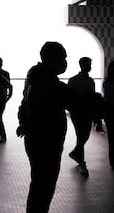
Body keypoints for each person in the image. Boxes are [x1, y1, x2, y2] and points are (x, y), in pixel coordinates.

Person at [17, 42, 101, 212]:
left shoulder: (34, 76)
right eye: (62, 57)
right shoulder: (48, 83)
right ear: (49, 58)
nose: (64, 61)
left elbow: (23, 104)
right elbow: (75, 101)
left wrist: (24, 124)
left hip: (37, 139)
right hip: (47, 142)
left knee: (39, 184)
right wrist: (95, 99)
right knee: (44, 187)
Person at [67, 57, 96, 177]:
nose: (89, 66)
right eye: (88, 64)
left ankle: (76, 153)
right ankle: (81, 163)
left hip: (84, 111)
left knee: (83, 135)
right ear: (82, 65)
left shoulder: (75, 80)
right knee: (82, 135)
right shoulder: (79, 81)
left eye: (89, 64)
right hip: (78, 112)